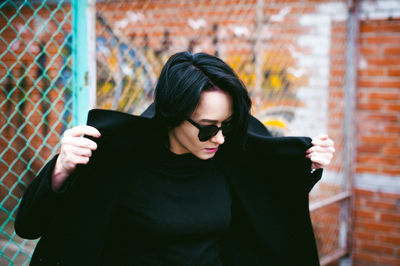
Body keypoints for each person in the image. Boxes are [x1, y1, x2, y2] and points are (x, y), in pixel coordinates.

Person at [15, 51, 335, 266]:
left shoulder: (229, 157)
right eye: (208, 128)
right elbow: (30, 225)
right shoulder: (118, 162)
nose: (220, 138)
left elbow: (270, 196)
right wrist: (61, 170)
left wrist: (306, 162)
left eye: (228, 124)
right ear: (173, 115)